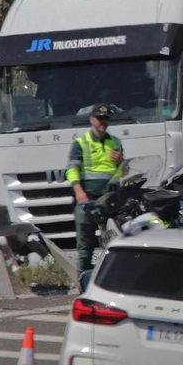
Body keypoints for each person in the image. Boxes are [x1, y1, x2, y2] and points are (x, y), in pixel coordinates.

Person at [67, 104, 125, 273]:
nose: (103, 122)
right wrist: (79, 193)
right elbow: (72, 170)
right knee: (85, 244)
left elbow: (123, 171)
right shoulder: (81, 142)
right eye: (100, 118)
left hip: (111, 201)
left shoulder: (116, 142)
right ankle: (82, 282)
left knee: (115, 242)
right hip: (88, 199)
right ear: (91, 119)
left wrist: (121, 161)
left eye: (106, 119)